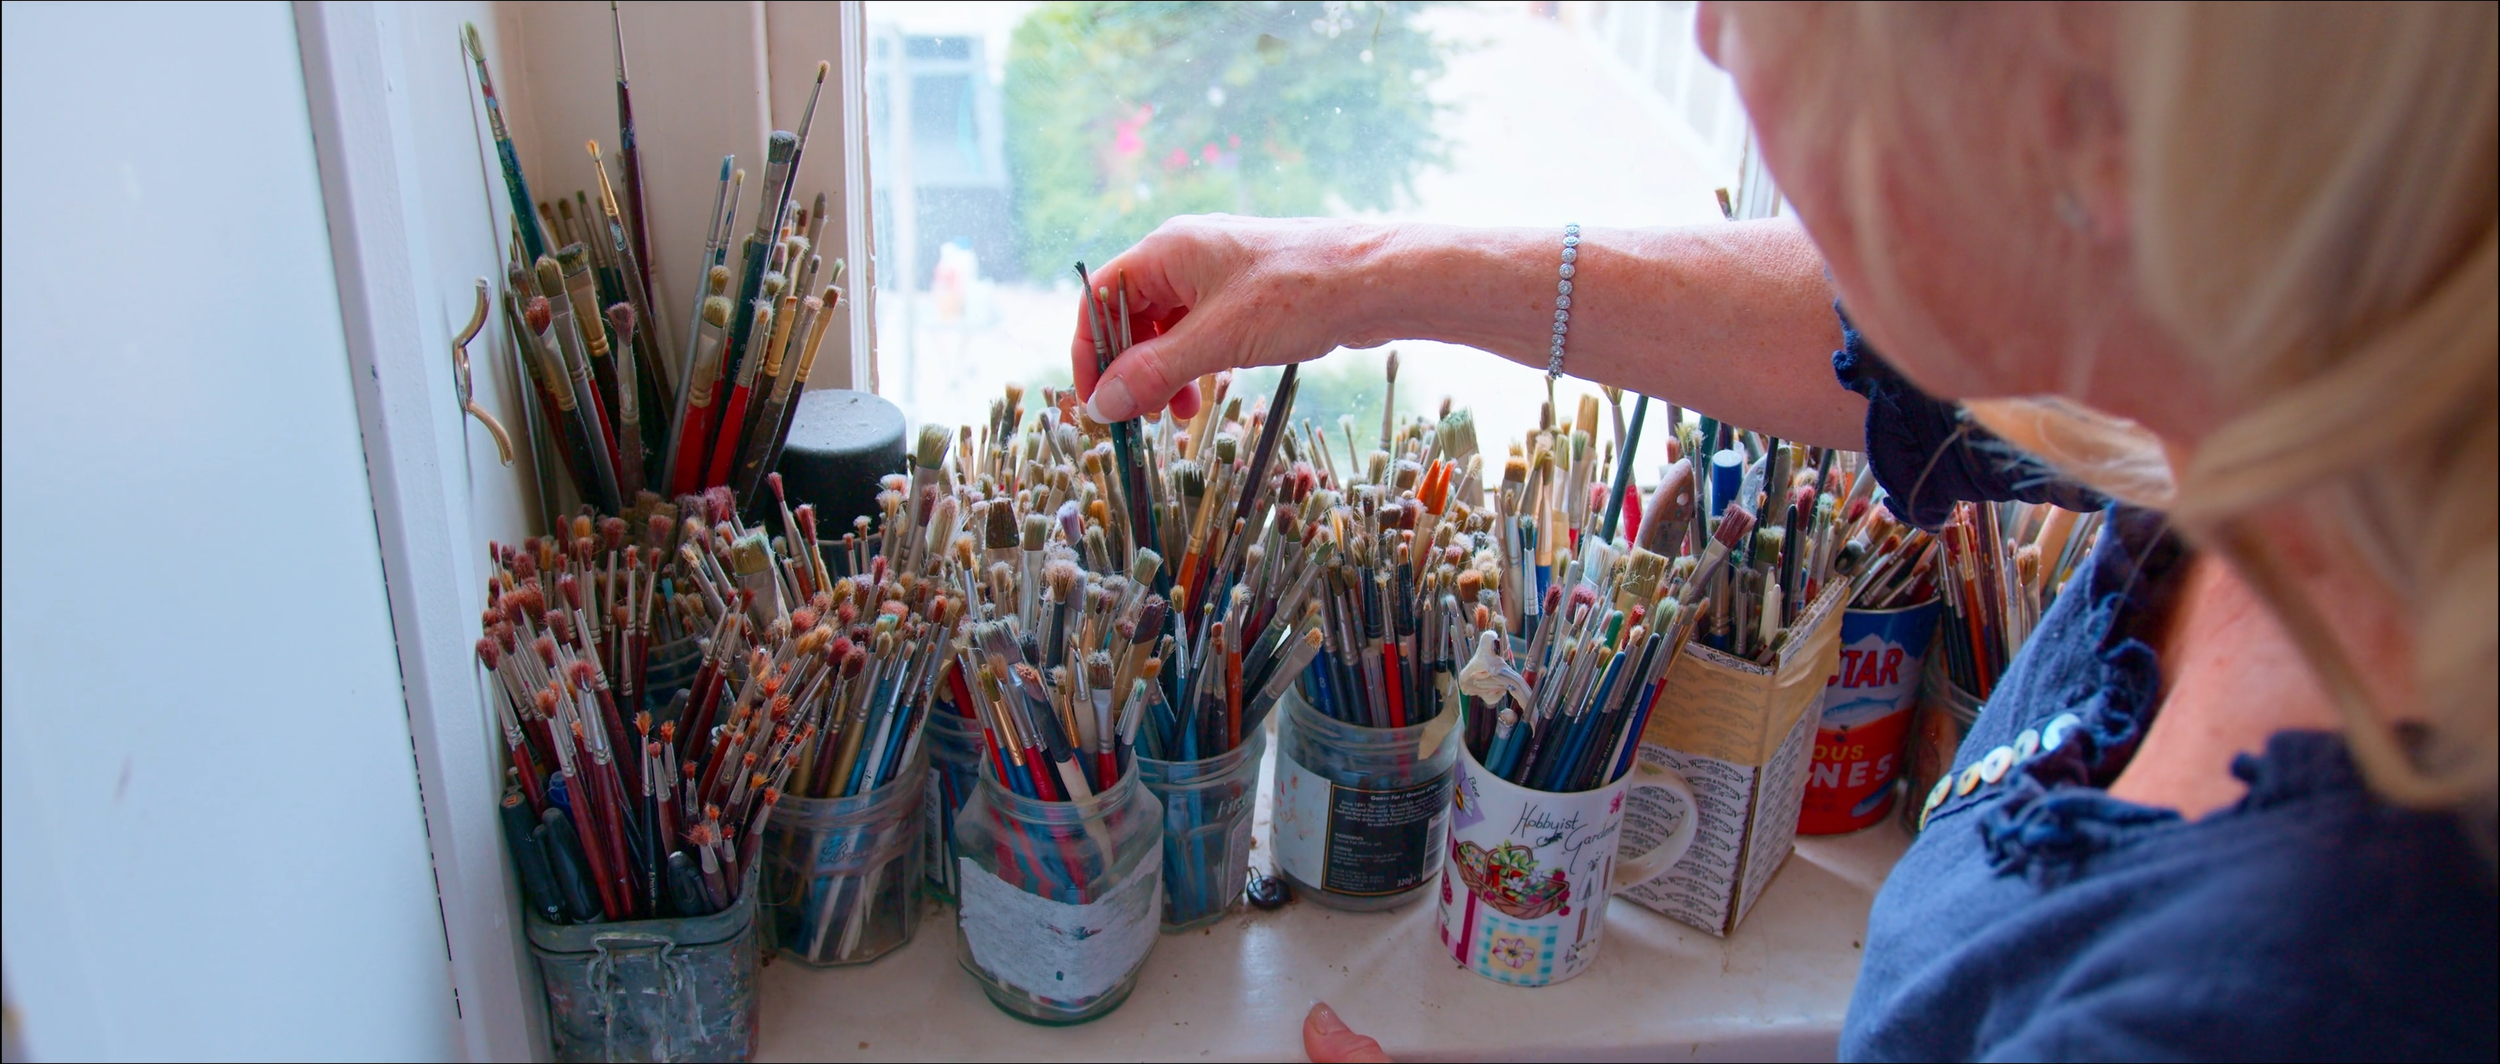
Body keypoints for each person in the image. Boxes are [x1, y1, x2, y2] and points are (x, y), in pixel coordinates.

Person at [1068, 3, 2496, 1060]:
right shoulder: (2295, 382)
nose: (1708, 33)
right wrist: (1353, 271)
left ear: (2098, 108)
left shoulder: (2264, 1003)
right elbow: (1886, 314)